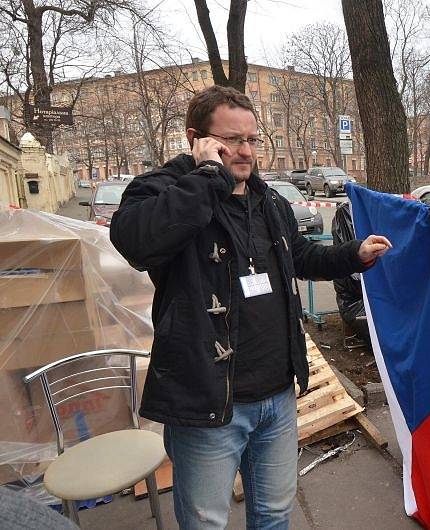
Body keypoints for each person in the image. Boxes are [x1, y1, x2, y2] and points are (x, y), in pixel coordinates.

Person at [110, 86, 391, 529]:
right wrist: (206, 177)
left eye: (252, 140)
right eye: (231, 141)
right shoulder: (163, 189)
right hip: (208, 403)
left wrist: (354, 254)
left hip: (276, 396)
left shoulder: (268, 200)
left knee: (275, 513)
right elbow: (135, 242)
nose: (245, 151)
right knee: (206, 522)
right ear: (197, 139)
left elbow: (299, 257)